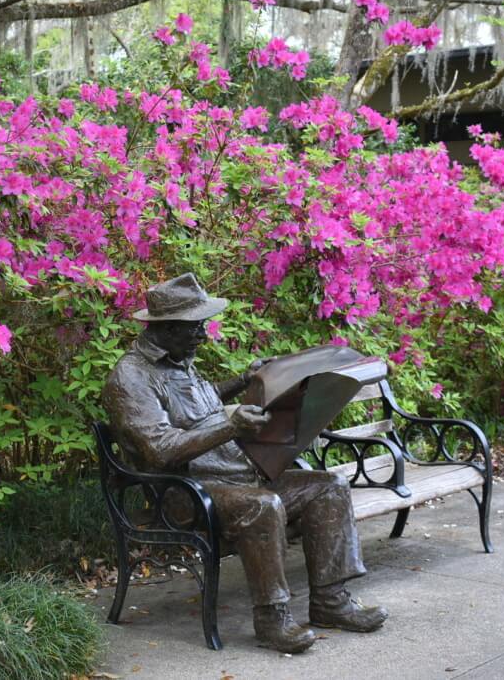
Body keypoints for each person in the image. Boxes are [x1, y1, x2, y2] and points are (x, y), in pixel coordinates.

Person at [102, 273, 387, 653]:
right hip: (183, 495)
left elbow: (195, 411)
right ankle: (272, 619)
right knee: (262, 505)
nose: (203, 335)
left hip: (233, 475)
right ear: (166, 328)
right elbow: (160, 449)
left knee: (328, 487)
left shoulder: (180, 359)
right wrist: (230, 425)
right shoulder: (130, 377)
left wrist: (240, 383)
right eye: (194, 328)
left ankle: (331, 602)